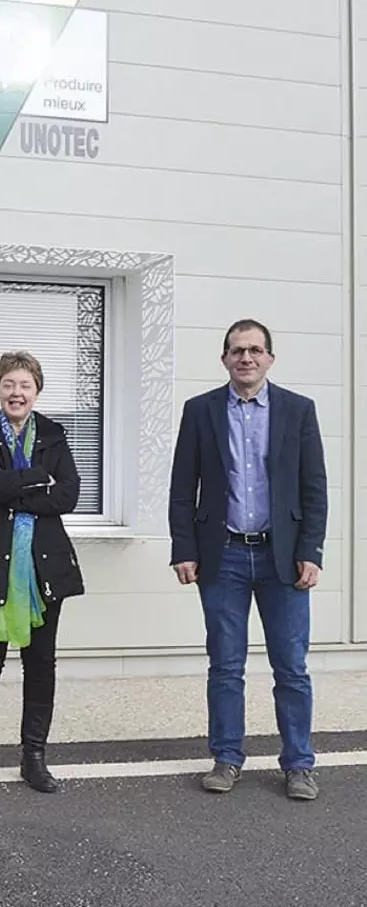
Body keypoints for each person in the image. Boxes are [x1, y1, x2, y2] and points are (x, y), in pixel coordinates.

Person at [169, 319, 327, 800]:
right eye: (238, 350)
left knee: (292, 667)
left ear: (270, 359)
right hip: (224, 557)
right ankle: (226, 758)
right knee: (225, 664)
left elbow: (314, 488)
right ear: (224, 359)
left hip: (283, 559)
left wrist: (311, 551)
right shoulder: (201, 411)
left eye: (256, 350)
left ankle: (298, 764)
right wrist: (184, 549)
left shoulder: (298, 410)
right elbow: (182, 488)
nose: (247, 358)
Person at [0, 350, 84, 794]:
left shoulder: (54, 435)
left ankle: (34, 758)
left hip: (43, 567)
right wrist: (36, 480)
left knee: (40, 662)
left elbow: (68, 495)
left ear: (37, 391)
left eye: (25, 385)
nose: (17, 393)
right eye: (9, 384)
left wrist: (11, 485)